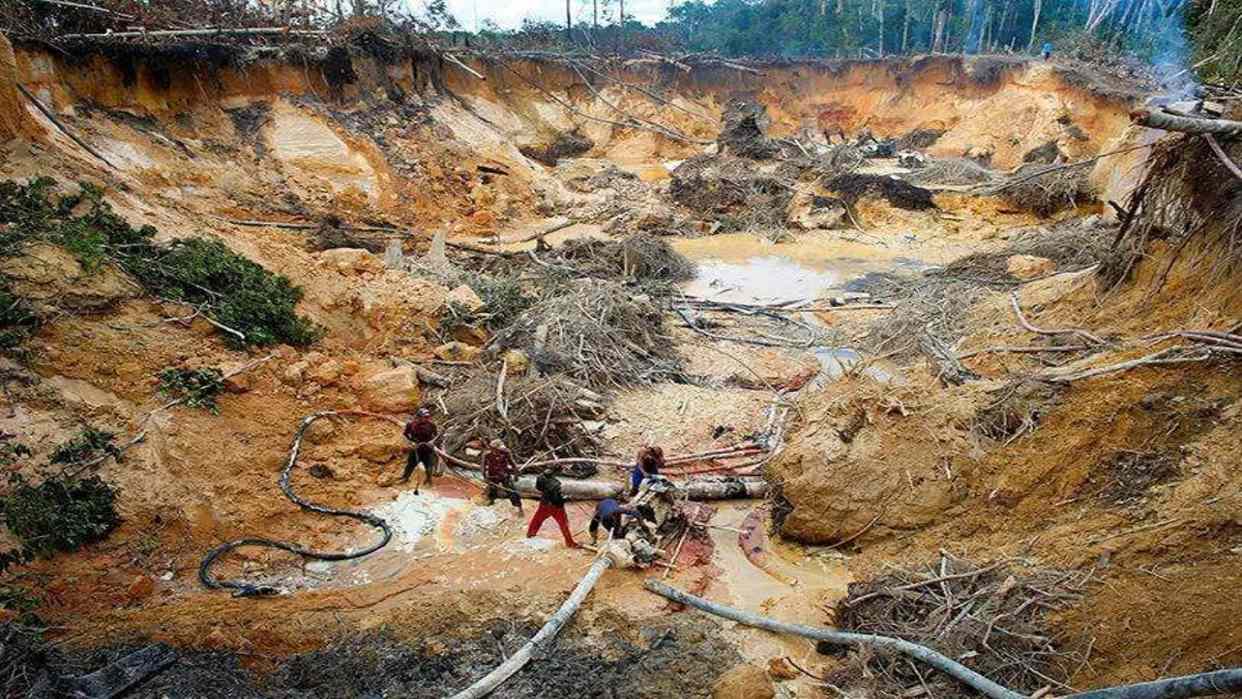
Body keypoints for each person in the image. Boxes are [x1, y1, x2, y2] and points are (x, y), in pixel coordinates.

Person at [526, 465, 578, 548]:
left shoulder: (540, 478)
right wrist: (566, 499)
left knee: (537, 520)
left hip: (544, 503)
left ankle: (530, 534)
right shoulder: (555, 484)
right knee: (563, 524)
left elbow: (538, 488)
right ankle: (570, 543)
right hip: (556, 507)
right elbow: (557, 499)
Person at [401, 407, 438, 494]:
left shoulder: (431, 425)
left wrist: (432, 442)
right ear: (419, 417)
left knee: (429, 466)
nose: (426, 419)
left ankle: (428, 479)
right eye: (424, 417)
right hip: (416, 448)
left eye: (427, 417)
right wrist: (411, 442)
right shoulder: (411, 424)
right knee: (410, 464)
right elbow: (405, 434)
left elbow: (436, 436)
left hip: (427, 448)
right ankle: (405, 478)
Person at [483, 438, 523, 514]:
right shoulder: (487, 454)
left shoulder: (506, 452)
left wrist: (516, 475)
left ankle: (519, 507)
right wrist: (484, 476)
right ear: (493, 449)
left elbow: (513, 463)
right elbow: (483, 466)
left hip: (504, 475)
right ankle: (491, 501)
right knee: (492, 490)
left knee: (512, 492)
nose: (500, 451)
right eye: (497, 449)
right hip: (493, 475)